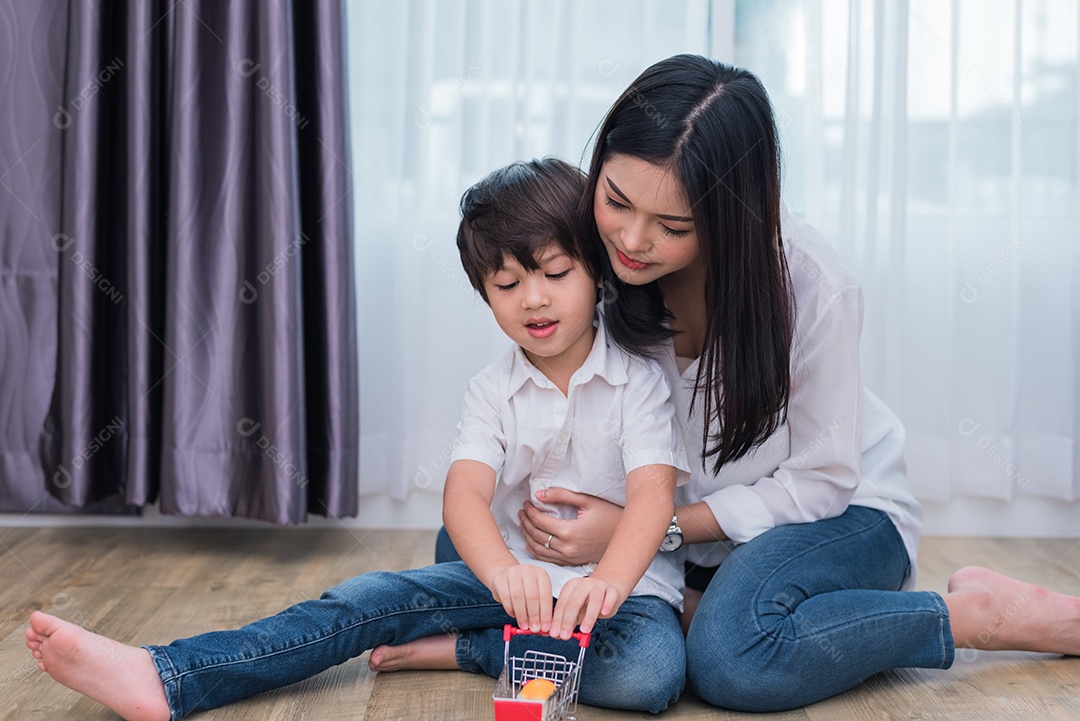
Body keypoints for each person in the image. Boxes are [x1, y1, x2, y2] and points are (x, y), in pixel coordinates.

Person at [383, 54, 1080, 712]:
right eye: (617, 200)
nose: (631, 240)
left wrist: (646, 531)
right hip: (687, 538)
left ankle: (973, 615)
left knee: (730, 659)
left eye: (672, 225)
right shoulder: (596, 259)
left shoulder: (813, 287)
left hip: (836, 514)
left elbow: (822, 482)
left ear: (729, 215)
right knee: (466, 547)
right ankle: (713, 610)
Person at [24, 157, 692, 720]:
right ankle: (167, 675)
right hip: (517, 584)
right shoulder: (492, 389)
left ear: (596, 271)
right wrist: (504, 574)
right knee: (367, 598)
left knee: (649, 674)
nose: (534, 300)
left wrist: (607, 584)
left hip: (622, 601)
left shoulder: (639, 381)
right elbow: (464, 496)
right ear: (485, 293)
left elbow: (652, 498)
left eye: (555, 273)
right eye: (508, 284)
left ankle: (471, 647)